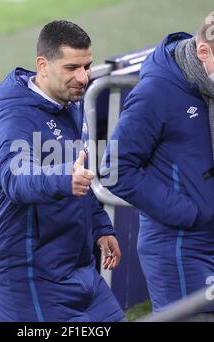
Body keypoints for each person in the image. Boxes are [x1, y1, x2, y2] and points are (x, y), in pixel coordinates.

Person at [0, 20, 125, 322]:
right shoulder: (16, 116)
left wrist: (100, 227)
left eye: (87, 66)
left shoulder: (69, 102)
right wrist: (64, 177)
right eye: (72, 67)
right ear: (43, 65)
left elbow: (79, 172)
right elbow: (15, 177)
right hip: (29, 277)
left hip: (78, 267)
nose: (84, 77)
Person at [102, 13, 214, 317]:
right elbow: (115, 169)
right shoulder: (157, 92)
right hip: (180, 245)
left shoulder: (206, 83)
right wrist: (190, 213)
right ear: (203, 52)